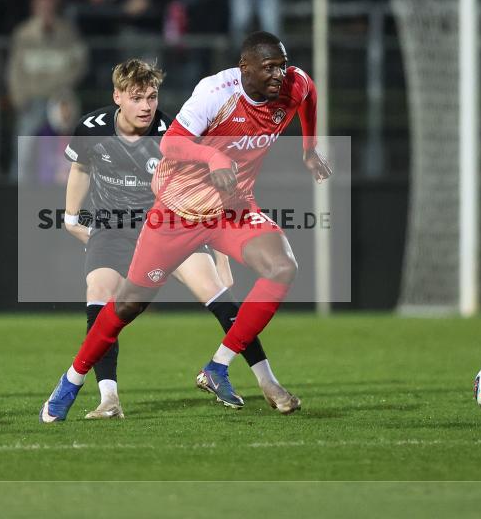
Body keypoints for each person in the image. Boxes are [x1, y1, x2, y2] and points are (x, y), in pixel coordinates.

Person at [41, 31, 331, 422]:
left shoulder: (294, 84)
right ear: (245, 68)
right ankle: (72, 381)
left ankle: (220, 367)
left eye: (282, 65)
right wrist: (213, 157)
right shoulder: (215, 92)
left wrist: (309, 149)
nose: (280, 74)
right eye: (269, 67)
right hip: (177, 212)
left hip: (230, 209)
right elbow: (171, 144)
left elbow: (309, 95)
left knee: (282, 267)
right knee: (127, 305)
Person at [6, 0, 88, 178]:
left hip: (61, 99)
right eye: (41, 6)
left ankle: (67, 189)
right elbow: (14, 70)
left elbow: (80, 63)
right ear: (34, 8)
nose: (46, 10)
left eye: (49, 6)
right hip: (32, 99)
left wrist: (65, 87)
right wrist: (19, 97)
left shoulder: (68, 32)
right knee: (24, 145)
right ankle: (18, 185)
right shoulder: (23, 33)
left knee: (66, 149)